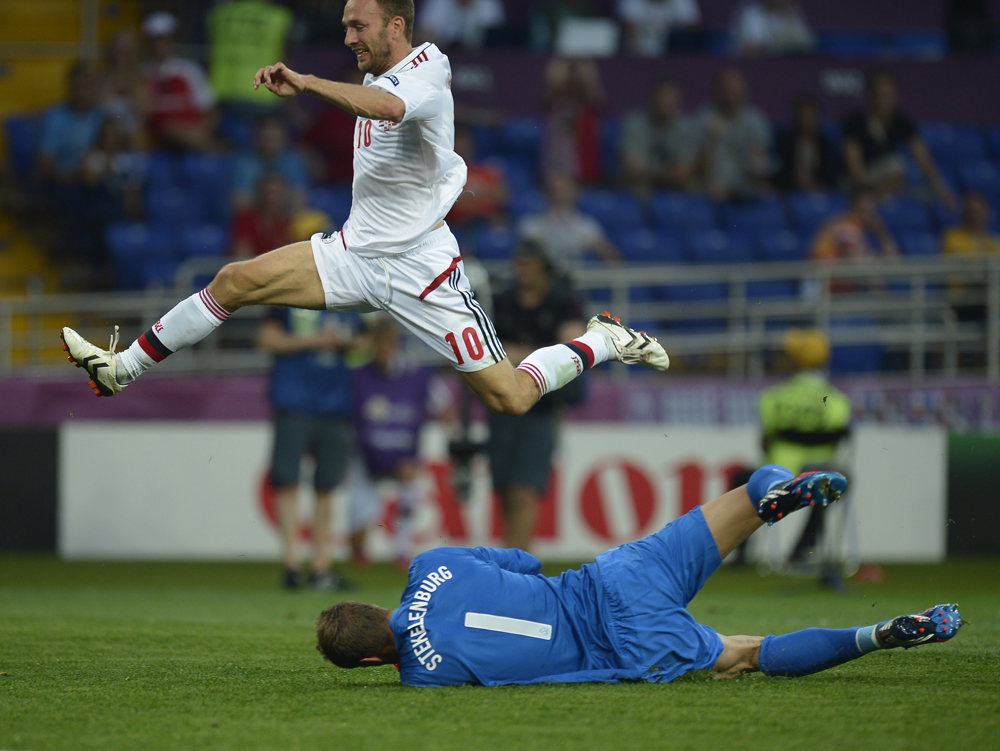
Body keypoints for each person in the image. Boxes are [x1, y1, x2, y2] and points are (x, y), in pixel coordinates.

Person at [62, 0, 668, 422]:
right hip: (353, 255)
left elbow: (387, 107)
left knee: (509, 397)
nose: (348, 36)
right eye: (345, 26)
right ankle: (122, 369)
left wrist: (306, 82)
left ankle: (603, 340)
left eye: (358, 26)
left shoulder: (429, 68)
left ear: (395, 25)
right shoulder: (375, 74)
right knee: (233, 280)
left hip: (421, 270)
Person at [314, 465, 963, 686]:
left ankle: (880, 632)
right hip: (613, 578)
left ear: (375, 658)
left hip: (625, 643)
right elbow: (527, 560)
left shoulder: (425, 674)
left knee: (750, 653)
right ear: (375, 604)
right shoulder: (431, 563)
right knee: (741, 501)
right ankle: (776, 496)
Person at [488, 241, 586, 552]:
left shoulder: (564, 302)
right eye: (520, 264)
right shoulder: (501, 301)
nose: (523, 271)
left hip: (543, 406)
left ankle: (519, 559)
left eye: (529, 264)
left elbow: (570, 350)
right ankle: (512, 555)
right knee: (504, 486)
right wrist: (539, 354)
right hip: (502, 403)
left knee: (525, 487)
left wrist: (514, 353)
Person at [258, 306, 360, 591]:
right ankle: (292, 563)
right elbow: (267, 338)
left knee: (326, 487)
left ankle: (320, 565)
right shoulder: (287, 297)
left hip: (334, 405)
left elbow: (367, 342)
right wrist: (315, 340)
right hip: (296, 403)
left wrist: (346, 343)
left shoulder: (350, 298)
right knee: (289, 483)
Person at [348, 316, 453, 568]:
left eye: (388, 344)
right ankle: (358, 548)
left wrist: (448, 430)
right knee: (361, 511)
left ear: (396, 344)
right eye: (378, 344)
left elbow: (444, 404)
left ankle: (402, 550)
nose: (383, 350)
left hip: (404, 452)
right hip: (367, 453)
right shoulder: (358, 376)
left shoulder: (417, 376)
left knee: (408, 497)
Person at [759, 329, 850, 573]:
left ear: (793, 359)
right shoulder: (838, 399)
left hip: (776, 474)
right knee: (827, 482)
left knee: (747, 480)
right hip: (819, 475)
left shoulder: (772, 397)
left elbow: (765, 440)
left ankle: (741, 556)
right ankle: (803, 549)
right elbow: (841, 437)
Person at [841, 71, 955, 209]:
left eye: (888, 95)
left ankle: (881, 200)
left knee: (925, 195)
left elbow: (923, 158)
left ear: (896, 96)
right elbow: (854, 165)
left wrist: (940, 189)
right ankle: (874, 201)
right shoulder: (855, 122)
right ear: (870, 96)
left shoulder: (902, 122)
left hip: (886, 184)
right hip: (857, 183)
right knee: (896, 165)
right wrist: (865, 191)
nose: (883, 100)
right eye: (879, 95)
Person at [140, 11, 218, 152]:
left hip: (191, 139)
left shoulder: (190, 71)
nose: (159, 45)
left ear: (172, 40)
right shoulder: (143, 73)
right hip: (157, 142)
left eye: (164, 39)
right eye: (155, 40)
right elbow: (144, 112)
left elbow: (209, 110)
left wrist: (194, 134)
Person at [693, 67, 772, 202]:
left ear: (744, 91)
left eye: (735, 88)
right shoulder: (703, 118)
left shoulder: (755, 120)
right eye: (726, 88)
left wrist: (757, 176)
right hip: (710, 189)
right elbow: (696, 167)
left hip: (746, 190)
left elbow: (760, 167)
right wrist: (712, 141)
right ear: (717, 90)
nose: (730, 93)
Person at [519, 173, 621, 270]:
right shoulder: (533, 224)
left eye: (564, 189)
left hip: (579, 279)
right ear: (546, 193)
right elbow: (525, 253)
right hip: (546, 281)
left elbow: (609, 252)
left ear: (574, 192)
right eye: (555, 190)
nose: (559, 194)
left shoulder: (585, 224)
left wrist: (610, 257)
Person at [207, 0, 293, 112]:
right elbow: (286, 59)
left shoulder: (219, 15)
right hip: (266, 94)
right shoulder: (280, 17)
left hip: (225, 92)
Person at [619, 77, 698, 195]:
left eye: (669, 95)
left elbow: (683, 173)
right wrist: (669, 173)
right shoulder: (634, 123)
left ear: (678, 99)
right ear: (651, 98)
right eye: (660, 94)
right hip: (639, 190)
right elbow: (632, 169)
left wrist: (648, 172)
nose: (664, 100)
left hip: (676, 190)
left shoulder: (686, 128)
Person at [541, 58, 605, 184]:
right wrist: (564, 59)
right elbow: (553, 81)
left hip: (587, 177)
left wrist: (583, 67)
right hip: (556, 176)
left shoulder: (590, 109)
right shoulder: (554, 107)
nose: (573, 83)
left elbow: (593, 89)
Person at [231, 116, 310, 211]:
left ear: (283, 138)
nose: (270, 143)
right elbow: (241, 203)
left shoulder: (293, 161)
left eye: (274, 138)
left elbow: (299, 199)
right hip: (254, 221)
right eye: (266, 138)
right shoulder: (243, 163)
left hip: (285, 219)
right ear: (257, 138)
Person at [810, 188, 898, 262]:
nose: (872, 207)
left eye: (874, 202)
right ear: (854, 204)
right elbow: (856, 263)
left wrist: (881, 232)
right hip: (823, 278)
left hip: (838, 277)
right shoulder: (846, 225)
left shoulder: (860, 226)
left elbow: (894, 261)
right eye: (867, 202)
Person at [772, 96, 839, 193]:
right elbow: (779, 169)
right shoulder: (785, 141)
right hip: (789, 190)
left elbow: (830, 172)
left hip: (820, 191)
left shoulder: (825, 143)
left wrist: (817, 185)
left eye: (811, 116)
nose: (807, 120)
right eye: (803, 116)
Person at [446, 126, 508, 229]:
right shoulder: (446, 174)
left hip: (487, 221)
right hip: (458, 225)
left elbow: (502, 196)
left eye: (465, 145)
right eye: (459, 146)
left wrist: (469, 195)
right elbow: (454, 205)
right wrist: (483, 194)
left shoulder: (485, 170)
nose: (463, 149)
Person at [618, 0, 702, 57]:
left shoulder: (681, 2)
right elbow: (630, 32)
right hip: (642, 52)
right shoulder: (632, 2)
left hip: (674, 54)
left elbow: (692, 31)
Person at [732, 0, 814, 57]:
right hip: (758, 68)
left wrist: (790, 18)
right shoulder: (750, 14)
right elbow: (747, 48)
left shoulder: (791, 13)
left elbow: (807, 43)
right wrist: (773, 46)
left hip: (787, 67)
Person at [416, 0, 505, 49]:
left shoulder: (488, 4)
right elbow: (424, 36)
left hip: (483, 60)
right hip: (445, 59)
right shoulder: (438, 3)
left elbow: (496, 39)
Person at [942, 191, 1000, 257]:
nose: (976, 216)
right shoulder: (952, 238)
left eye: (979, 211)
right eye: (973, 211)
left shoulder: (993, 241)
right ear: (965, 213)